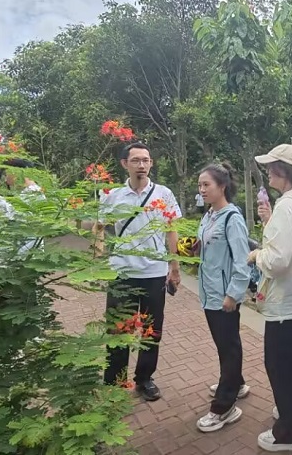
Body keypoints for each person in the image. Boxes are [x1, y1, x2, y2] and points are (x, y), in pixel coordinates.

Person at [98, 142, 182, 401]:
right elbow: (100, 227)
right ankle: (114, 381)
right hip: (121, 273)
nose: (141, 165)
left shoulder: (164, 193)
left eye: (146, 160)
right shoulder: (112, 195)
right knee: (118, 330)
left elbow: (171, 230)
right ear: (125, 164)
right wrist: (97, 261)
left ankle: (144, 379)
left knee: (151, 330)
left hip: (154, 273)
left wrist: (175, 267)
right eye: (136, 160)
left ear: (151, 163)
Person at [248, 144, 292, 452]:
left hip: (283, 301)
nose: (268, 172)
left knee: (279, 365)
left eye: (271, 167)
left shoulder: (286, 207)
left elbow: (278, 260)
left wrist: (257, 255)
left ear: (284, 171)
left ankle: (289, 431)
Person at [195, 163, 251, 433]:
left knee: (229, 348)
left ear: (222, 186)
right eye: (200, 185)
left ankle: (224, 407)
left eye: (206, 185)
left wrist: (233, 294)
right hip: (209, 293)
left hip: (224, 296)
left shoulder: (232, 219)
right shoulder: (209, 216)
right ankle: (236, 383)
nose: (202, 190)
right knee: (224, 344)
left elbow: (242, 261)